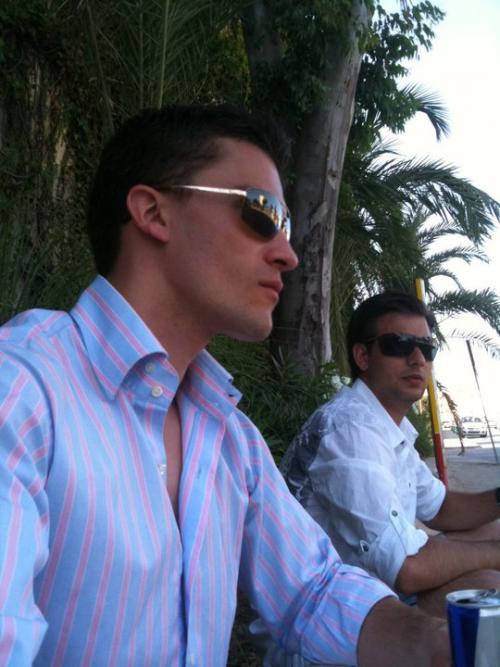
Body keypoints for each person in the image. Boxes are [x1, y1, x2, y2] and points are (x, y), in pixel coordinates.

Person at [0, 106, 450, 666]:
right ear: (153, 213)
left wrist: (439, 645)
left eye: (287, 227)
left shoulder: (230, 438)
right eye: (261, 213)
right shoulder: (23, 389)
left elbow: (311, 590)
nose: (287, 254)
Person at [281, 291, 500, 621]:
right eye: (399, 344)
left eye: (427, 348)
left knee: (491, 532)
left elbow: (440, 508)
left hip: (372, 592)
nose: (418, 359)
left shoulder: (386, 426)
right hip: (322, 618)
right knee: (487, 588)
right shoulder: (350, 429)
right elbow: (408, 568)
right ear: (363, 356)